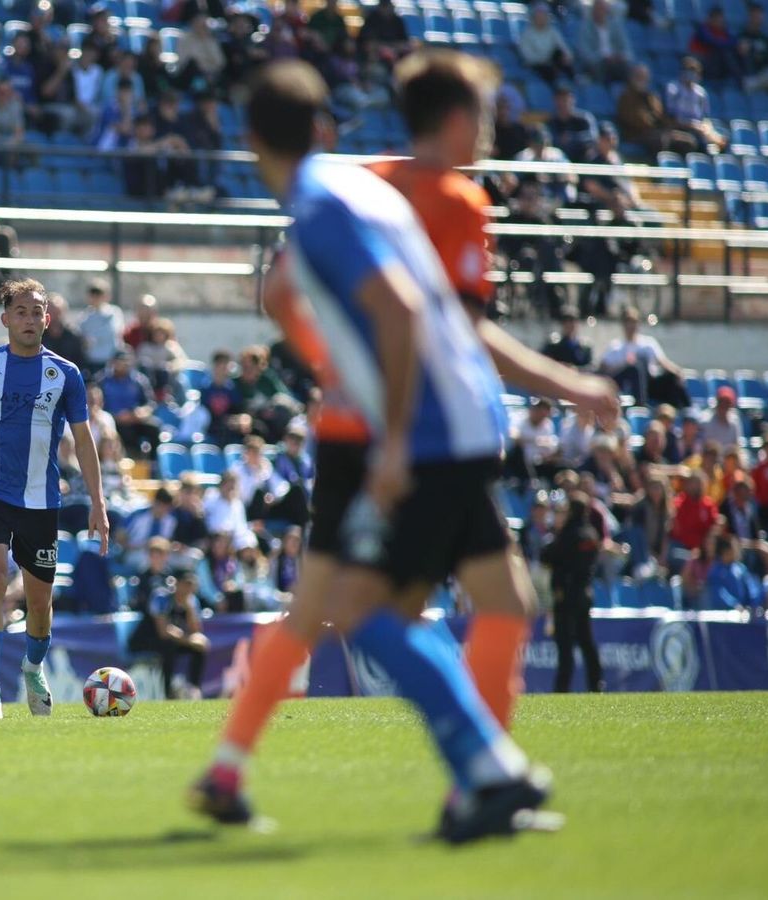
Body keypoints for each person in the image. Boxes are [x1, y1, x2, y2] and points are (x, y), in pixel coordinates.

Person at [192, 60, 559, 843]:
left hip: (424, 428)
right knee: (473, 601)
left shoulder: (322, 205)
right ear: (325, 126)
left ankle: (490, 772)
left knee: (356, 611)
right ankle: (486, 775)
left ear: (251, 139)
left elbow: (388, 310)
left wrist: (385, 431)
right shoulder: (362, 186)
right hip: (462, 415)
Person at [367, 49, 618, 734]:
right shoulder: (457, 200)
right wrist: (572, 383)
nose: (491, 132)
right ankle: (479, 759)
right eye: (482, 115)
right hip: (439, 431)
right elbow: (467, 332)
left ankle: (485, 768)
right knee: (400, 614)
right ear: (454, 119)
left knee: (503, 601)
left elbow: (282, 288)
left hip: (409, 425)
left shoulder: (367, 184)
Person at [0, 276, 108, 720]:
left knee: (38, 603)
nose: (29, 319)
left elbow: (84, 440)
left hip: (41, 496)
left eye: (37, 312)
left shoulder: (65, 374)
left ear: (47, 319)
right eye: (21, 312)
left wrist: (98, 502)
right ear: (6, 319)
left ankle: (33, 669)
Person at [541, 493, 603, 693]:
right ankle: (596, 684)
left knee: (565, 645)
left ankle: (562, 687)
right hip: (584, 592)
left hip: (565, 594)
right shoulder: (591, 534)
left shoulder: (568, 534)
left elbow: (547, 556)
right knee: (586, 641)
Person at [128, 566, 209, 699]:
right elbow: (163, 632)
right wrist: (191, 641)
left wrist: (189, 609)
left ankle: (195, 689)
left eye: (192, 585)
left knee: (199, 649)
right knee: (169, 646)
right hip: (145, 640)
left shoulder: (192, 601)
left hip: (172, 640)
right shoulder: (161, 597)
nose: (189, 589)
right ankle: (167, 692)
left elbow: (196, 631)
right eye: (186, 584)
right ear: (176, 583)